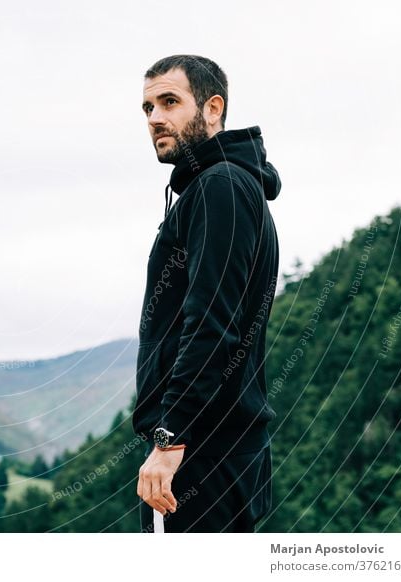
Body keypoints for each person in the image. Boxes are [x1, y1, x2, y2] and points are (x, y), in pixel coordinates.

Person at [132, 55, 281, 533]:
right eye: (148, 107)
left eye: (170, 102)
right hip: (220, 450)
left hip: (201, 455)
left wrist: (169, 439)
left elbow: (212, 323)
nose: (155, 118)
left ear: (213, 108)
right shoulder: (222, 187)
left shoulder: (220, 187)